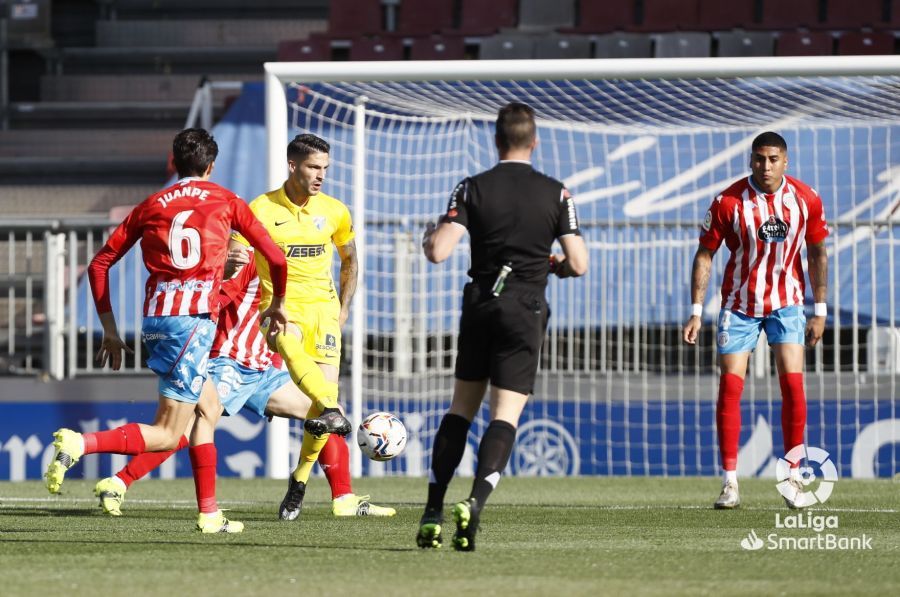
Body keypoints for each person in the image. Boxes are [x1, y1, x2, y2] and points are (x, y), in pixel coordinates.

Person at [44, 128, 289, 534]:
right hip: (191, 325)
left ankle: (209, 513)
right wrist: (278, 303)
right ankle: (80, 444)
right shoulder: (227, 201)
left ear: (173, 163)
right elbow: (276, 259)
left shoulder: (152, 204)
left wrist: (109, 329)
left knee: (207, 410)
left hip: (157, 321)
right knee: (167, 432)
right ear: (211, 166)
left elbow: (99, 264)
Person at [93, 247, 394, 518]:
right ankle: (117, 482)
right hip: (229, 363)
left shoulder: (301, 276)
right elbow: (217, 298)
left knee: (326, 408)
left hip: (262, 370)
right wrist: (220, 276)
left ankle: (344, 498)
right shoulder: (252, 259)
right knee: (184, 428)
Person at [416, 102, 588, 551]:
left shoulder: (472, 187)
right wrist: (554, 268)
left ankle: (433, 508)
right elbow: (579, 263)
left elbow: (438, 252)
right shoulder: (557, 192)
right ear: (534, 141)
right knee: (505, 415)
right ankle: (474, 503)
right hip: (525, 306)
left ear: (496, 141)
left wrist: (428, 236)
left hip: (480, 303)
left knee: (460, 409)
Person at [681, 131, 829, 510]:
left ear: (786, 161)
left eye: (773, 159)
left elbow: (817, 253)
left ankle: (793, 476)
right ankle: (730, 483)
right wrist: (697, 311)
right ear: (751, 161)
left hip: (788, 303)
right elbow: (704, 254)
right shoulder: (728, 202)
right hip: (739, 304)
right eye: (760, 159)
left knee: (793, 387)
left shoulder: (805, 199)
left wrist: (821, 309)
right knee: (730, 388)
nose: (766, 166)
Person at [232, 133, 357, 520]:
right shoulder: (261, 209)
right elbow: (236, 252)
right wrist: (231, 260)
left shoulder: (335, 211)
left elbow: (350, 259)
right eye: (313, 167)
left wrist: (344, 309)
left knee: (318, 408)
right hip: (282, 310)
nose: (320, 175)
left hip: (325, 312)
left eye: (325, 168)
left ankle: (299, 480)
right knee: (324, 399)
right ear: (292, 166)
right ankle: (334, 408)